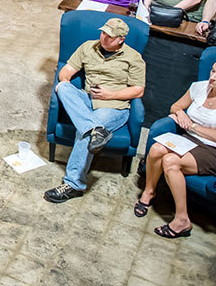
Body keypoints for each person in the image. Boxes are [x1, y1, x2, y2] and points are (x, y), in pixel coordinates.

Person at [136, 57, 216, 239]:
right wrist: (181, 114)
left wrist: (192, 126)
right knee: (156, 149)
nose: (213, 77)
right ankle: (149, 192)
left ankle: (182, 220)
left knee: (170, 161)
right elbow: (176, 106)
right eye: (213, 71)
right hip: (191, 140)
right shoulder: (199, 87)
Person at [43, 18, 146, 203]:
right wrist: (65, 80)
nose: (104, 38)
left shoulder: (133, 58)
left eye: (110, 36)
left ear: (121, 39)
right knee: (63, 88)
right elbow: (66, 70)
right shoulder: (88, 47)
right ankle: (94, 129)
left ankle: (74, 185)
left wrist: (110, 94)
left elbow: (138, 89)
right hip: (87, 99)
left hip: (114, 106)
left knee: (85, 135)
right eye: (103, 33)